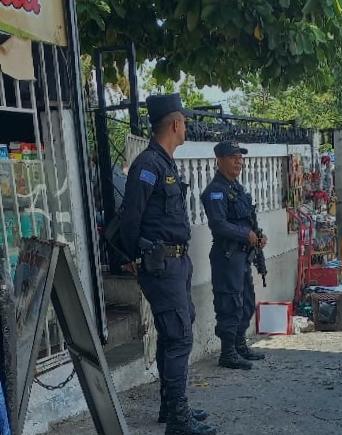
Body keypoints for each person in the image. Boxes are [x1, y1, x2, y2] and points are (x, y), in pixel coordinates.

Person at [120, 93, 215, 435]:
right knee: (178, 337)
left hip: (175, 263)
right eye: (185, 121)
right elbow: (131, 216)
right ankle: (178, 418)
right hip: (160, 264)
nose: (186, 126)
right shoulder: (148, 165)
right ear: (175, 124)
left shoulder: (164, 162)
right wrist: (132, 256)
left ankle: (169, 406)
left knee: (173, 333)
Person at [201, 140, 267, 370]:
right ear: (219, 160)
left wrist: (258, 237)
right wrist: (245, 234)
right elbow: (218, 225)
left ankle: (239, 345)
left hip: (242, 257)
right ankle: (227, 352)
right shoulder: (215, 192)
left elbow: (247, 219)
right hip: (227, 256)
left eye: (240, 157)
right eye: (233, 157)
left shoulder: (237, 189)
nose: (239, 161)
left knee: (246, 302)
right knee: (229, 303)